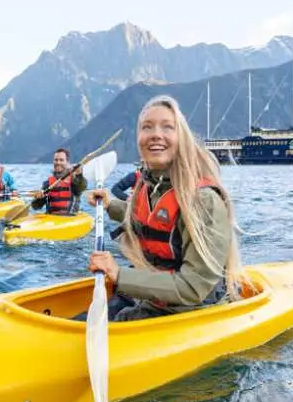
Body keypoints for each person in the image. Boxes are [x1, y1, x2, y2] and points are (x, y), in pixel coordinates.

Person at [85, 95, 245, 322]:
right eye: (146, 127)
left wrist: (119, 274)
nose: (155, 134)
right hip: (156, 299)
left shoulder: (205, 199)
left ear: (181, 138)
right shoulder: (150, 186)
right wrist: (111, 203)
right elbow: (148, 221)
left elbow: (193, 286)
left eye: (167, 127)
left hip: (193, 310)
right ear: (139, 137)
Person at [30, 148, 87, 215]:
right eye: (56, 160)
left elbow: (82, 187)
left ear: (67, 162)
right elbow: (36, 206)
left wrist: (79, 175)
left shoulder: (75, 180)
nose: (58, 162)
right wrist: (38, 198)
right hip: (53, 221)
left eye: (61, 160)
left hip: (70, 219)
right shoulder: (47, 183)